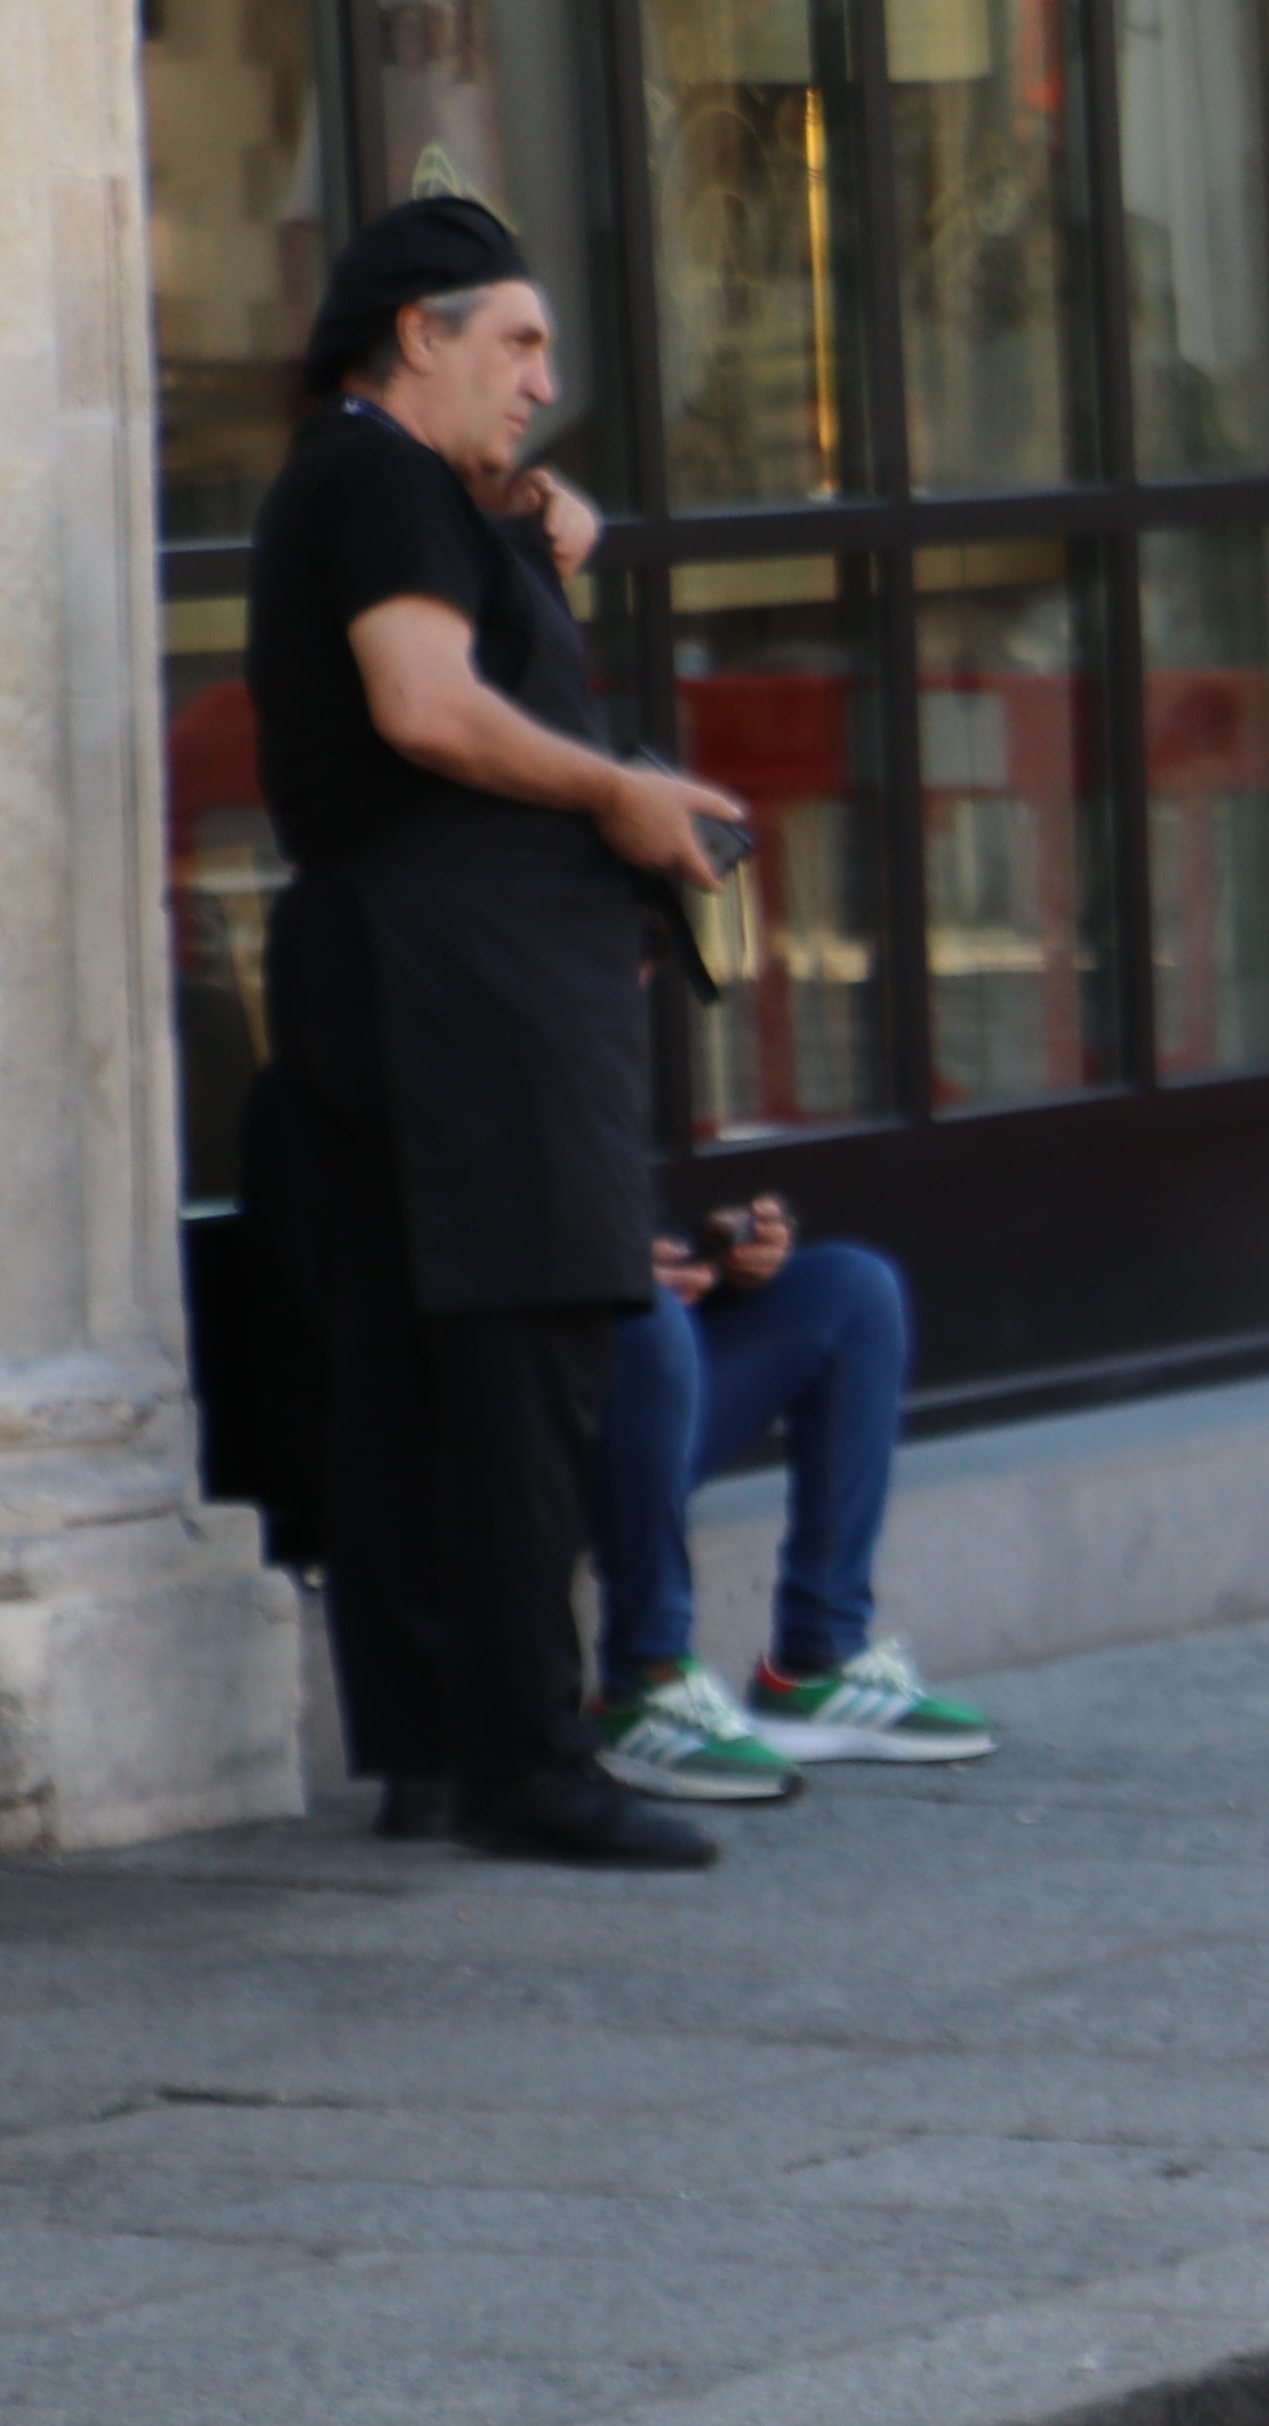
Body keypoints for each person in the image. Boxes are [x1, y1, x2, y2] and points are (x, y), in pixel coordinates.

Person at [237, 195, 748, 1869]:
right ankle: (530, 1755)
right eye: (514, 342)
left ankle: (442, 1752)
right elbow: (426, 707)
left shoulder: (399, 483)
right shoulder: (375, 471)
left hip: (414, 963)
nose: (541, 379)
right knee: (522, 1353)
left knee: (407, 1364)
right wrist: (626, 795)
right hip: (455, 971)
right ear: (418, 334)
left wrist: (532, 522)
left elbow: (471, 598)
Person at [587, 1193, 1001, 1803]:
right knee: (647, 1318)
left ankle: (819, 1661)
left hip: (636, 1383)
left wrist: (711, 1250)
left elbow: (627, 1210)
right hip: (519, 1426)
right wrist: (605, 1270)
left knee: (853, 1284)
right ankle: (643, 1684)